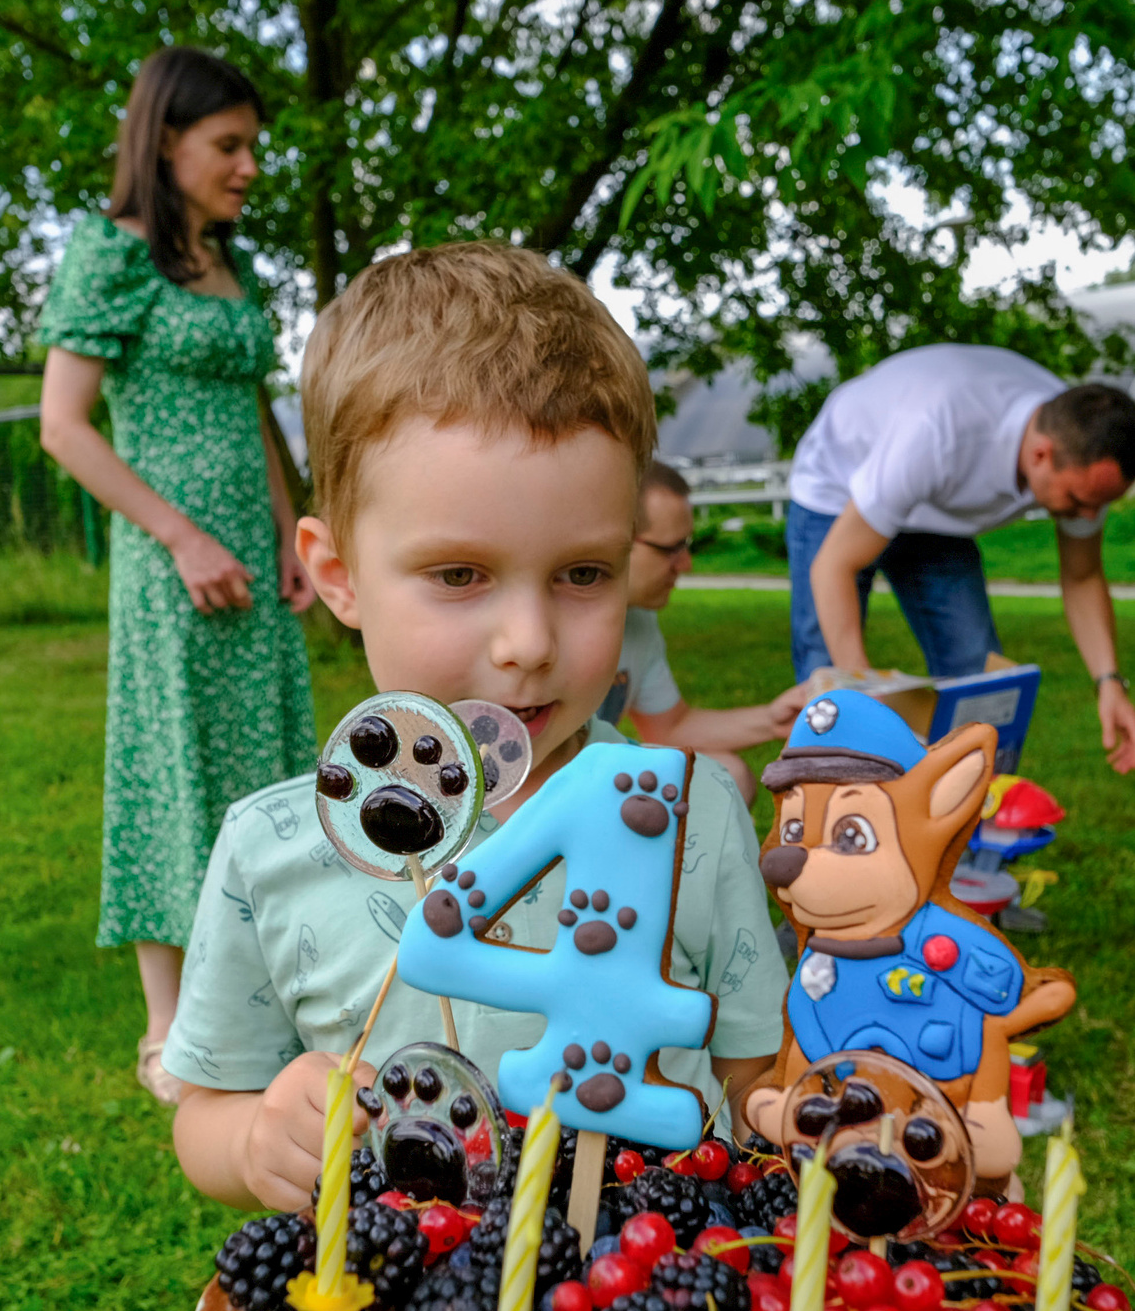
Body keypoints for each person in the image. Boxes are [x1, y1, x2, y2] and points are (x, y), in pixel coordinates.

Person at [161, 243, 789, 1212]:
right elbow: (205, 1106)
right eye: (459, 575)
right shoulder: (268, 848)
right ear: (336, 576)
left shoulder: (694, 818)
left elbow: (755, 1083)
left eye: (582, 574)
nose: (529, 644)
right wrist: (253, 1137)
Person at [38, 47, 318, 1105]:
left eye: (255, 146)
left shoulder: (224, 262)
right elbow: (66, 429)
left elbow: (251, 413)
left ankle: (271, 992)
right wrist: (182, 538)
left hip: (252, 549)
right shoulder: (111, 256)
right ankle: (167, 1031)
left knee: (269, 772)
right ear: (165, 141)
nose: (250, 166)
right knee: (175, 767)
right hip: (172, 565)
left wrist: (290, 530)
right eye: (229, 146)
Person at [786, 344, 1135, 773]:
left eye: (1098, 505)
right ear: (1041, 454)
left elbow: (1082, 577)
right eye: (1079, 501)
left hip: (937, 513)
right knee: (830, 690)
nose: (1087, 517)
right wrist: (862, 700)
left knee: (982, 687)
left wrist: (1109, 683)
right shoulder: (939, 430)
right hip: (836, 490)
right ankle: (830, 823)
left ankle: (976, 830)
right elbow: (832, 566)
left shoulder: (1083, 444)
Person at [599, 459, 807, 804]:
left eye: (687, 545)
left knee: (728, 775)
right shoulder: (552, 627)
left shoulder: (638, 620)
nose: (686, 564)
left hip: (594, 781)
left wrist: (775, 720)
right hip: (536, 805)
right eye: (671, 549)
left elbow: (670, 728)